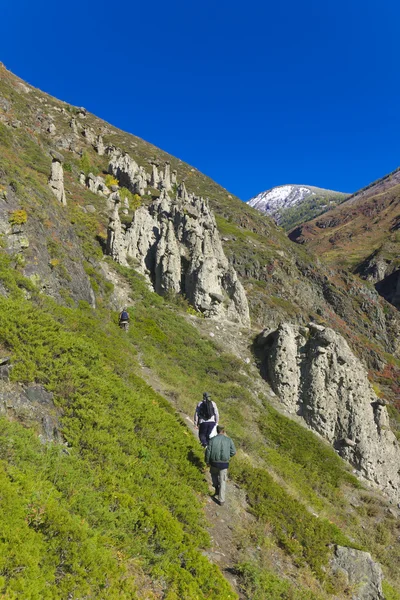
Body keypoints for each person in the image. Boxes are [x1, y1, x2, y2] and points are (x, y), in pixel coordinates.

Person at [205, 425, 236, 505]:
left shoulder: (212, 440)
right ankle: (221, 500)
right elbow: (233, 452)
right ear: (224, 431)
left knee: (214, 476)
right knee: (223, 481)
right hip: (224, 464)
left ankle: (216, 488)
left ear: (217, 431)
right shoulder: (229, 440)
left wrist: (207, 462)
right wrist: (227, 456)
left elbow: (208, 452)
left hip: (214, 463)